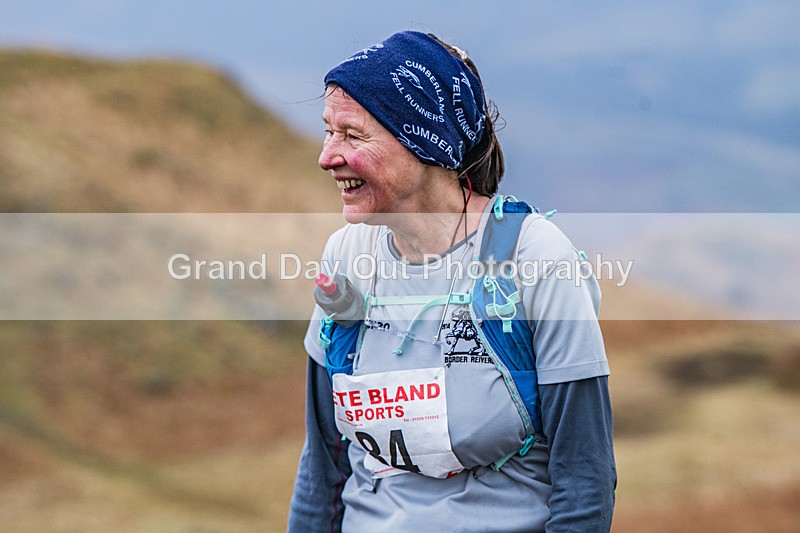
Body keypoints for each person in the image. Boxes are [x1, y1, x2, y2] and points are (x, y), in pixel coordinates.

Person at [288, 31, 616, 532]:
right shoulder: (346, 257)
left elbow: (584, 481)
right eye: (328, 132)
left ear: (423, 140)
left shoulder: (538, 261)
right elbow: (323, 469)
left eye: (353, 135)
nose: (328, 155)